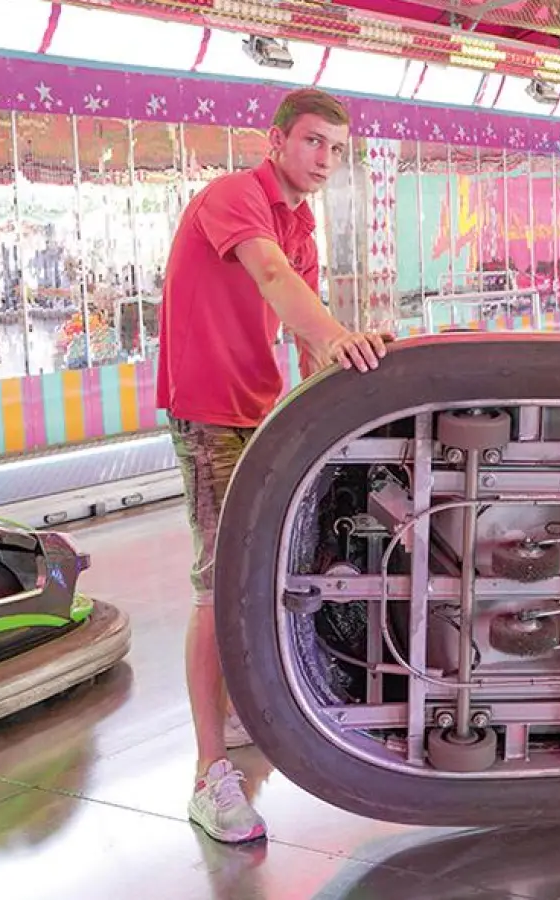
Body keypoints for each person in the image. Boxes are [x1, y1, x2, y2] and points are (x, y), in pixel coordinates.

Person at [156, 87, 390, 844]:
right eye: (314, 142)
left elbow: (300, 321)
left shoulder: (301, 224)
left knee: (260, 574)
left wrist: (346, 380)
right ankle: (206, 775)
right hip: (207, 414)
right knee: (217, 583)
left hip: (261, 412)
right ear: (278, 141)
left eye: (336, 149)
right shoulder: (235, 197)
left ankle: (230, 713)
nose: (324, 159)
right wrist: (337, 338)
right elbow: (271, 279)